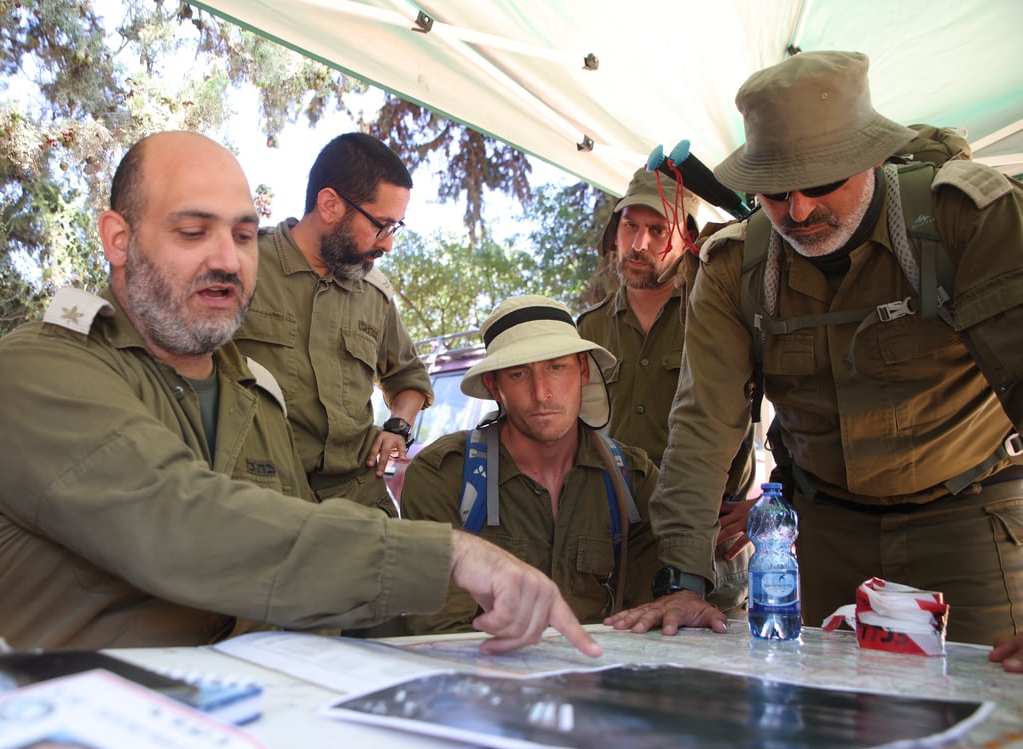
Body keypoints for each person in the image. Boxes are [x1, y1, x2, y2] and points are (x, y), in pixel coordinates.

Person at [0, 130, 601, 659]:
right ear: (118, 240)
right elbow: (185, 525)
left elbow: (298, 566)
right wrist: (448, 554)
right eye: (194, 232)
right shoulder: (40, 368)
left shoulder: (252, 396)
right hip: (25, 739)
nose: (227, 258)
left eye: (245, 235)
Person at [606, 50, 1023, 653]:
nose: (797, 211)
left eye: (821, 182)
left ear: (871, 156)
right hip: (825, 534)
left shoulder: (965, 218)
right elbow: (702, 428)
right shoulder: (734, 267)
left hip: (971, 522)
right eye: (774, 191)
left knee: (992, 722)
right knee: (828, 719)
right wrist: (683, 578)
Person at [383, 295, 661, 634]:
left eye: (556, 367)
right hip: (488, 674)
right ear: (494, 385)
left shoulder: (632, 479)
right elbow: (443, 631)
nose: (541, 392)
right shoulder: (445, 475)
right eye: (518, 374)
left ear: (583, 371)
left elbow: (652, 617)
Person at [577, 168, 756, 611]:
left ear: (688, 240)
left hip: (708, 540)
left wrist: (773, 502)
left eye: (658, 230)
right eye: (630, 226)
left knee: (708, 676)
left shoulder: (721, 316)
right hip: (610, 542)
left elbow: (795, 405)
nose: (639, 244)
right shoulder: (585, 332)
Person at [234, 132, 432, 516]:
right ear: (329, 205)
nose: (388, 244)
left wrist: (399, 427)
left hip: (357, 498)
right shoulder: (241, 266)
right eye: (382, 225)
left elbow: (410, 379)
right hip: (259, 499)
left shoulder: (375, 294)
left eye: (396, 228)